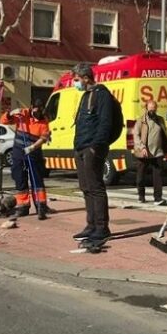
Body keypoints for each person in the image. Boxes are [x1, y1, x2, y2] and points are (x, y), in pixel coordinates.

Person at [71, 63, 114, 250]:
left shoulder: (101, 95)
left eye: (76, 79)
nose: (75, 83)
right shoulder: (86, 96)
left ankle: (102, 227)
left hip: (92, 148)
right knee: (86, 187)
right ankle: (91, 224)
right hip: (81, 147)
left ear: (86, 78)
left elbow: (105, 123)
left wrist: (95, 147)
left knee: (96, 187)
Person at [1, 99, 51, 220]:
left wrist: (32, 147)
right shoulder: (22, 114)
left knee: (37, 180)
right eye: (35, 110)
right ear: (31, 107)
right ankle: (23, 207)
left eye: (40, 111)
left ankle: (41, 206)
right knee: (20, 178)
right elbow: (4, 121)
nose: (37, 113)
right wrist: (11, 113)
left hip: (34, 153)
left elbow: (44, 138)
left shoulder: (44, 121)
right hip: (19, 152)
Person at [132, 100, 167, 206]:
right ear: (146, 108)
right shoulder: (141, 121)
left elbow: (164, 134)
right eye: (150, 109)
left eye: (154, 109)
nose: (152, 111)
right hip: (144, 153)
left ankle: (158, 198)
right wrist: (142, 147)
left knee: (158, 176)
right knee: (141, 176)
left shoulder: (160, 120)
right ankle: (141, 196)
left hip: (158, 152)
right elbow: (136, 135)